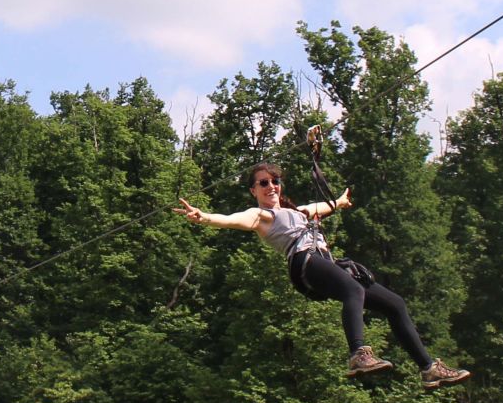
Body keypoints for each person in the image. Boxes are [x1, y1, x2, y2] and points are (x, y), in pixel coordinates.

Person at [178, 162, 470, 389]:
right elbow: (231, 220)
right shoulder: (261, 216)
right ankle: (359, 353)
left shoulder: (296, 210)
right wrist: (204, 217)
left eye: (275, 181)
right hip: (305, 262)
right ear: (254, 191)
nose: (271, 186)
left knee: (395, 304)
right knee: (353, 292)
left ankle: (428, 368)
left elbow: (320, 207)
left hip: (324, 261)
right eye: (263, 183)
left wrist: (339, 203)